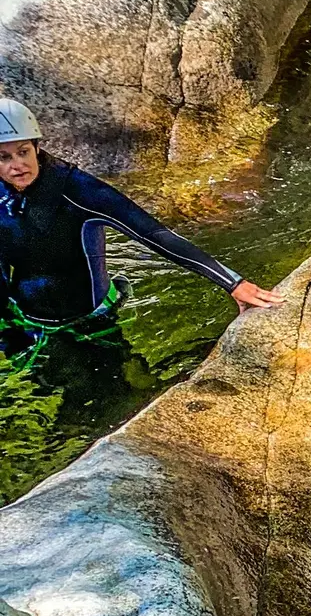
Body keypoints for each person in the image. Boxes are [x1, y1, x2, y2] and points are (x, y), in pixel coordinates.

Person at [0, 98, 283, 396]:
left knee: (107, 398)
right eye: (4, 157)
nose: (18, 165)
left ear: (37, 146)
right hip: (27, 322)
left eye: (23, 152)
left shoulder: (78, 191)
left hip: (92, 321)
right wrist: (8, 331)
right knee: (46, 392)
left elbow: (155, 234)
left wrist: (232, 283)